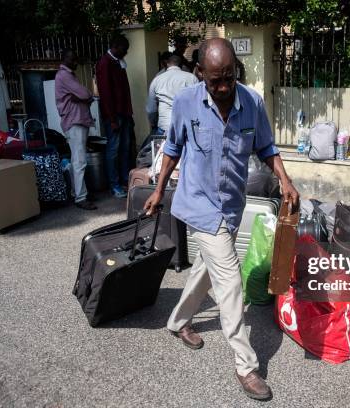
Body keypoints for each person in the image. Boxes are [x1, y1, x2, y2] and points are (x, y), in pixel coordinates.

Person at [143, 38, 299, 400]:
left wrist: (286, 180)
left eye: (229, 77)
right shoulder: (185, 103)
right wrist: (158, 189)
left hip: (232, 203)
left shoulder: (252, 103)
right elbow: (172, 148)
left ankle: (178, 321)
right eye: (216, 81)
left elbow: (266, 147)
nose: (224, 87)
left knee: (205, 267)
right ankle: (246, 365)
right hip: (198, 204)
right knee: (230, 280)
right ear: (201, 74)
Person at [54, 48, 97, 211]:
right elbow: (86, 94)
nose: (75, 62)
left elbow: (85, 95)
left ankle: (78, 192)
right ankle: (80, 197)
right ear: (63, 59)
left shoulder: (67, 75)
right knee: (79, 161)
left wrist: (83, 96)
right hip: (74, 121)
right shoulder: (64, 75)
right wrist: (83, 97)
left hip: (75, 120)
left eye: (75, 59)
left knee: (76, 160)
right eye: (71, 59)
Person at [95, 35, 133, 198]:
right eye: (124, 49)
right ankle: (114, 184)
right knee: (113, 150)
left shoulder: (117, 62)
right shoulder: (105, 63)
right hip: (114, 115)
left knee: (124, 148)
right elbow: (105, 93)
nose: (126, 52)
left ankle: (125, 180)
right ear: (116, 47)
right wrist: (111, 119)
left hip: (123, 113)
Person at [146, 54, 199, 135]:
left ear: (167, 64)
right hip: (186, 127)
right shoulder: (192, 78)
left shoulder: (157, 79)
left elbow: (151, 109)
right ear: (181, 65)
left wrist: (154, 123)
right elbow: (198, 104)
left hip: (164, 127)